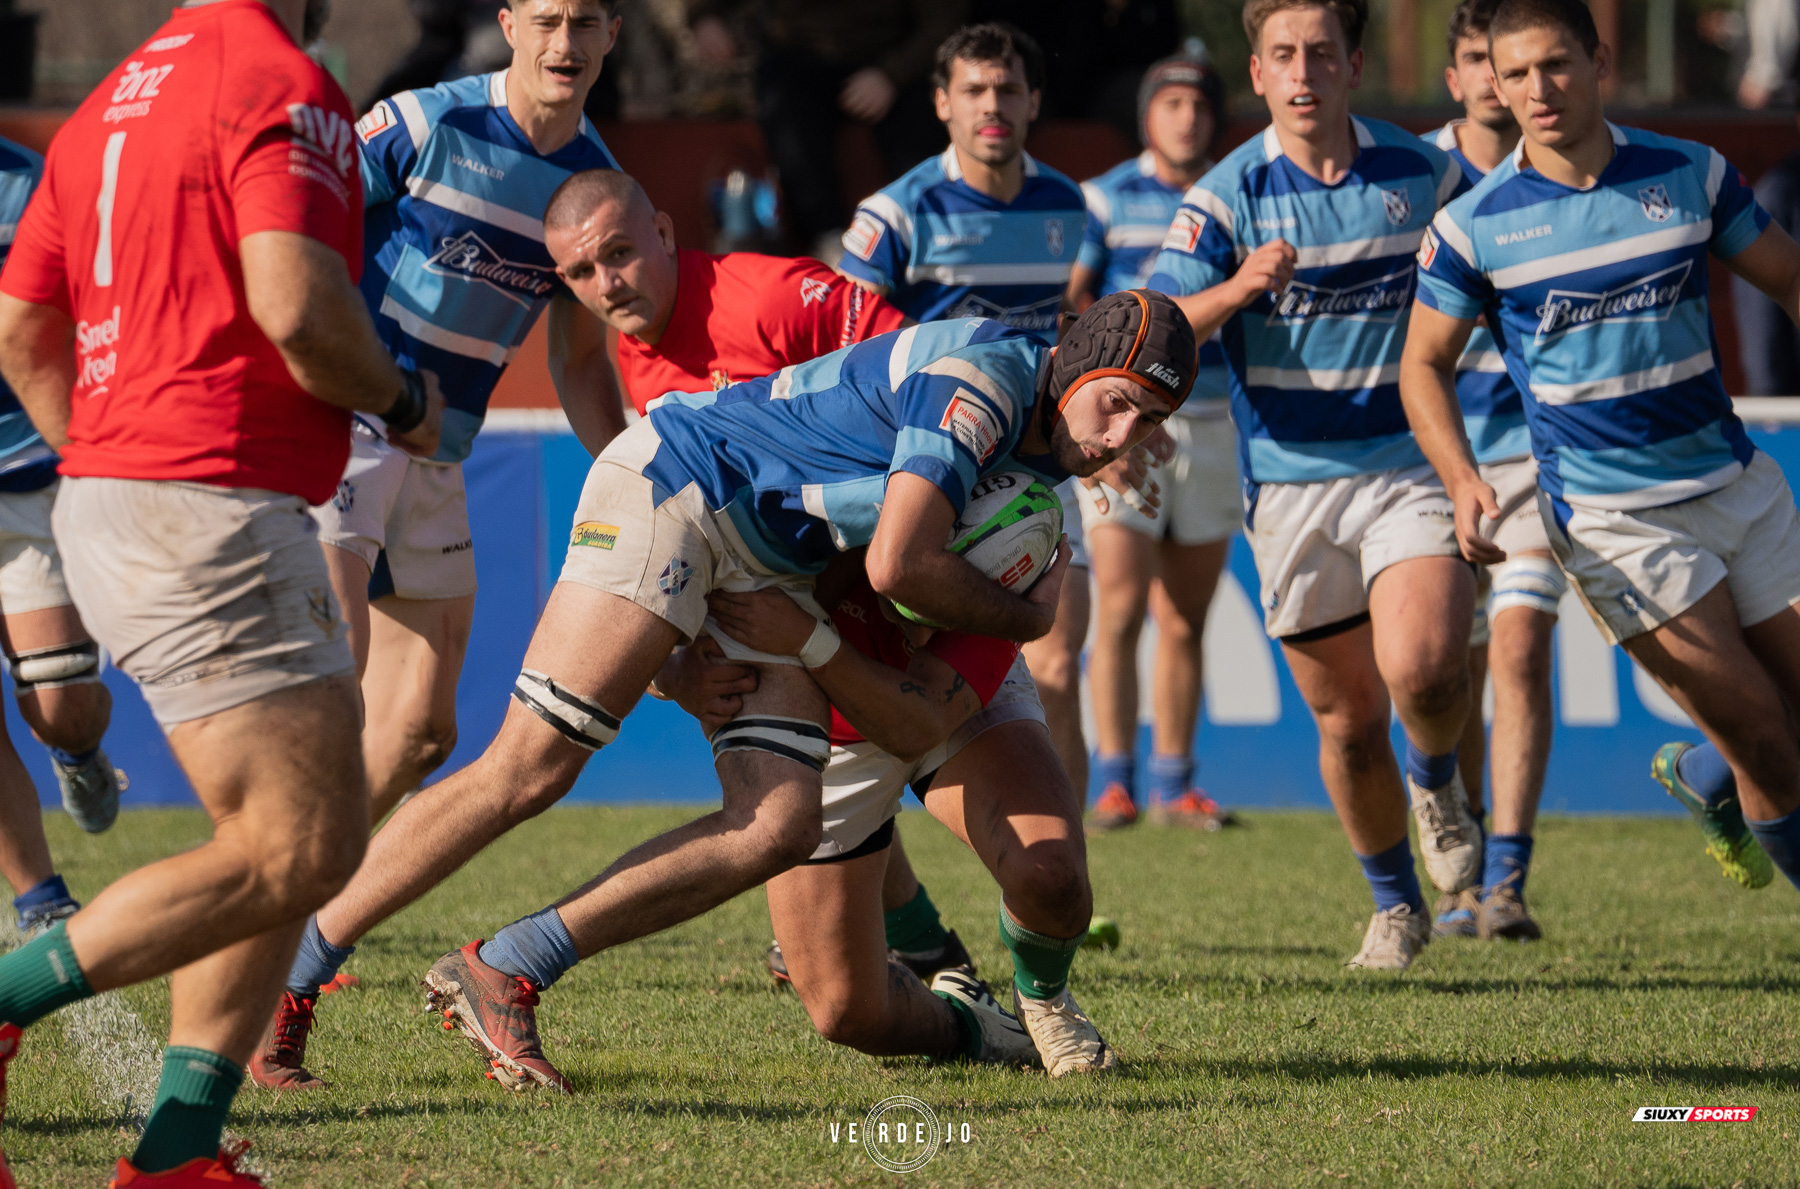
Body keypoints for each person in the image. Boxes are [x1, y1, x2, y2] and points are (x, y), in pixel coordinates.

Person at [273, 287, 1191, 1092]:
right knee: (531, 765)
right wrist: (1028, 619)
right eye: (1115, 405)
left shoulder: (1041, 467)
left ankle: (509, 964)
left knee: (778, 822)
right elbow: (898, 558)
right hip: (681, 482)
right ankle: (289, 975)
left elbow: (896, 616)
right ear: (1072, 363)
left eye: (1146, 424)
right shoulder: (984, 383)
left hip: (765, 569)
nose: (1120, 438)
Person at [0, 0, 445, 1182]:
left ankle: (180, 1150)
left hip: (124, 493)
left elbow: (21, 331)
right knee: (304, 845)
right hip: (208, 499)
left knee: (273, 840)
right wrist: (404, 403)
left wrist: (105, 461)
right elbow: (299, 305)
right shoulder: (278, 76)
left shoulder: (102, 106)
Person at [250, 0, 631, 1092]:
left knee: (419, 732)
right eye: (547, 17)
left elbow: (579, 366)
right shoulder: (419, 123)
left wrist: (650, 482)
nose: (566, 44)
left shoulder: (590, 179)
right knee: (329, 708)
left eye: (588, 22)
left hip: (438, 454)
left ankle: (288, 931)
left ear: (613, 34)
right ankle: (257, 963)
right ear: (507, 21)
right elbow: (297, 235)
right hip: (339, 428)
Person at [1406, 0, 1800, 913]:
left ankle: (1707, 770)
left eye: (1556, 65)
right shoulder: (1476, 225)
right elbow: (1421, 365)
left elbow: (1787, 275)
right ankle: (1731, 762)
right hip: (1614, 522)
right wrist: (1464, 479)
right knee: (1770, 741)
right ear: (1491, 84)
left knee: (1782, 730)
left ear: (1599, 60)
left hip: (1740, 485)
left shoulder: (1690, 173)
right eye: (1516, 74)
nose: (1537, 90)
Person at [1149, 0, 1478, 971]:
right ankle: (1394, 905)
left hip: (1406, 465)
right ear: (1255, 73)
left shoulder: (1424, 172)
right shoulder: (1225, 196)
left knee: (1424, 665)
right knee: (1347, 720)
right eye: (1283, 56)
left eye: (1321, 54)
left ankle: (1439, 778)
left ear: (1355, 65)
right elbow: (1163, 322)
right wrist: (1238, 289)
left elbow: (1497, 265)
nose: (1303, 74)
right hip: (1289, 491)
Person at [620, 517, 1115, 1075]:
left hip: (943, 700)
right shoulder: (791, 501)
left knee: (1051, 873)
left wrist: (810, 638)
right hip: (822, 734)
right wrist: (674, 673)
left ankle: (1047, 1001)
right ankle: (973, 1024)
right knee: (845, 1011)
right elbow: (621, 590)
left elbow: (917, 724)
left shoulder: (996, 528)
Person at [839, 21, 1097, 815]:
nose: (994, 105)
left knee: (1056, 662)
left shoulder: (1066, 202)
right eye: (976, 90)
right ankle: (865, 885)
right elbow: (846, 345)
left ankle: (1064, 885)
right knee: (890, 684)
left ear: (1034, 101)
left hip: (1039, 468)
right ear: (943, 103)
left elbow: (1067, 340)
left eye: (1009, 89)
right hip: (931, 472)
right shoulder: (894, 215)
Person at [1067, 54, 1242, 832]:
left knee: (1185, 619)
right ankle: (1114, 780)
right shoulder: (1103, 199)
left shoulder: (1235, 198)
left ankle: (1176, 784)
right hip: (1122, 433)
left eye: (1198, 104)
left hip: (1214, 425)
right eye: (1170, 102)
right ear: (1148, 115)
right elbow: (1072, 301)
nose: (1186, 117)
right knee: (1122, 605)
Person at [1420, 0, 1562, 942]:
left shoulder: (1564, 172)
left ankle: (1506, 877)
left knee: (1517, 652)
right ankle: (1462, 860)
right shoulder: (1410, 176)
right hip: (1431, 461)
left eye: (1504, 62)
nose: (1493, 79)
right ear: (1460, 75)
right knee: (1449, 671)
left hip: (1532, 453)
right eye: (1477, 60)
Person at [0, 135, 125, 940]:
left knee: (64, 709)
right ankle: (40, 894)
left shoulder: (29, 181)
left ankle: (79, 755)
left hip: (25, 478)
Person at [689, 0, 965, 258]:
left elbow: (944, 25)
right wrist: (705, 16)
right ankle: (829, 242)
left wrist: (891, 75)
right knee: (785, 110)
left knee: (922, 124)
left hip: (894, 55)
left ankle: (927, 240)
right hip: (800, 55)